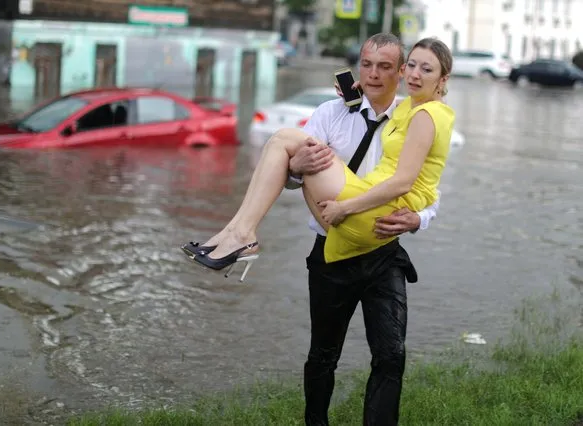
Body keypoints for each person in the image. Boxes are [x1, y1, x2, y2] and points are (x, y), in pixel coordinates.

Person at [181, 35, 454, 424]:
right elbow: (289, 179)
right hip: (329, 248)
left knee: (391, 354)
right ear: (357, 66)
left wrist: (419, 219)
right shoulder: (329, 113)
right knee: (323, 355)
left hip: (381, 252)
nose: (373, 74)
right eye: (366, 64)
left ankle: (241, 236)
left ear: (400, 73)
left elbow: (429, 185)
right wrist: (297, 168)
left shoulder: (413, 112)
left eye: (386, 67)